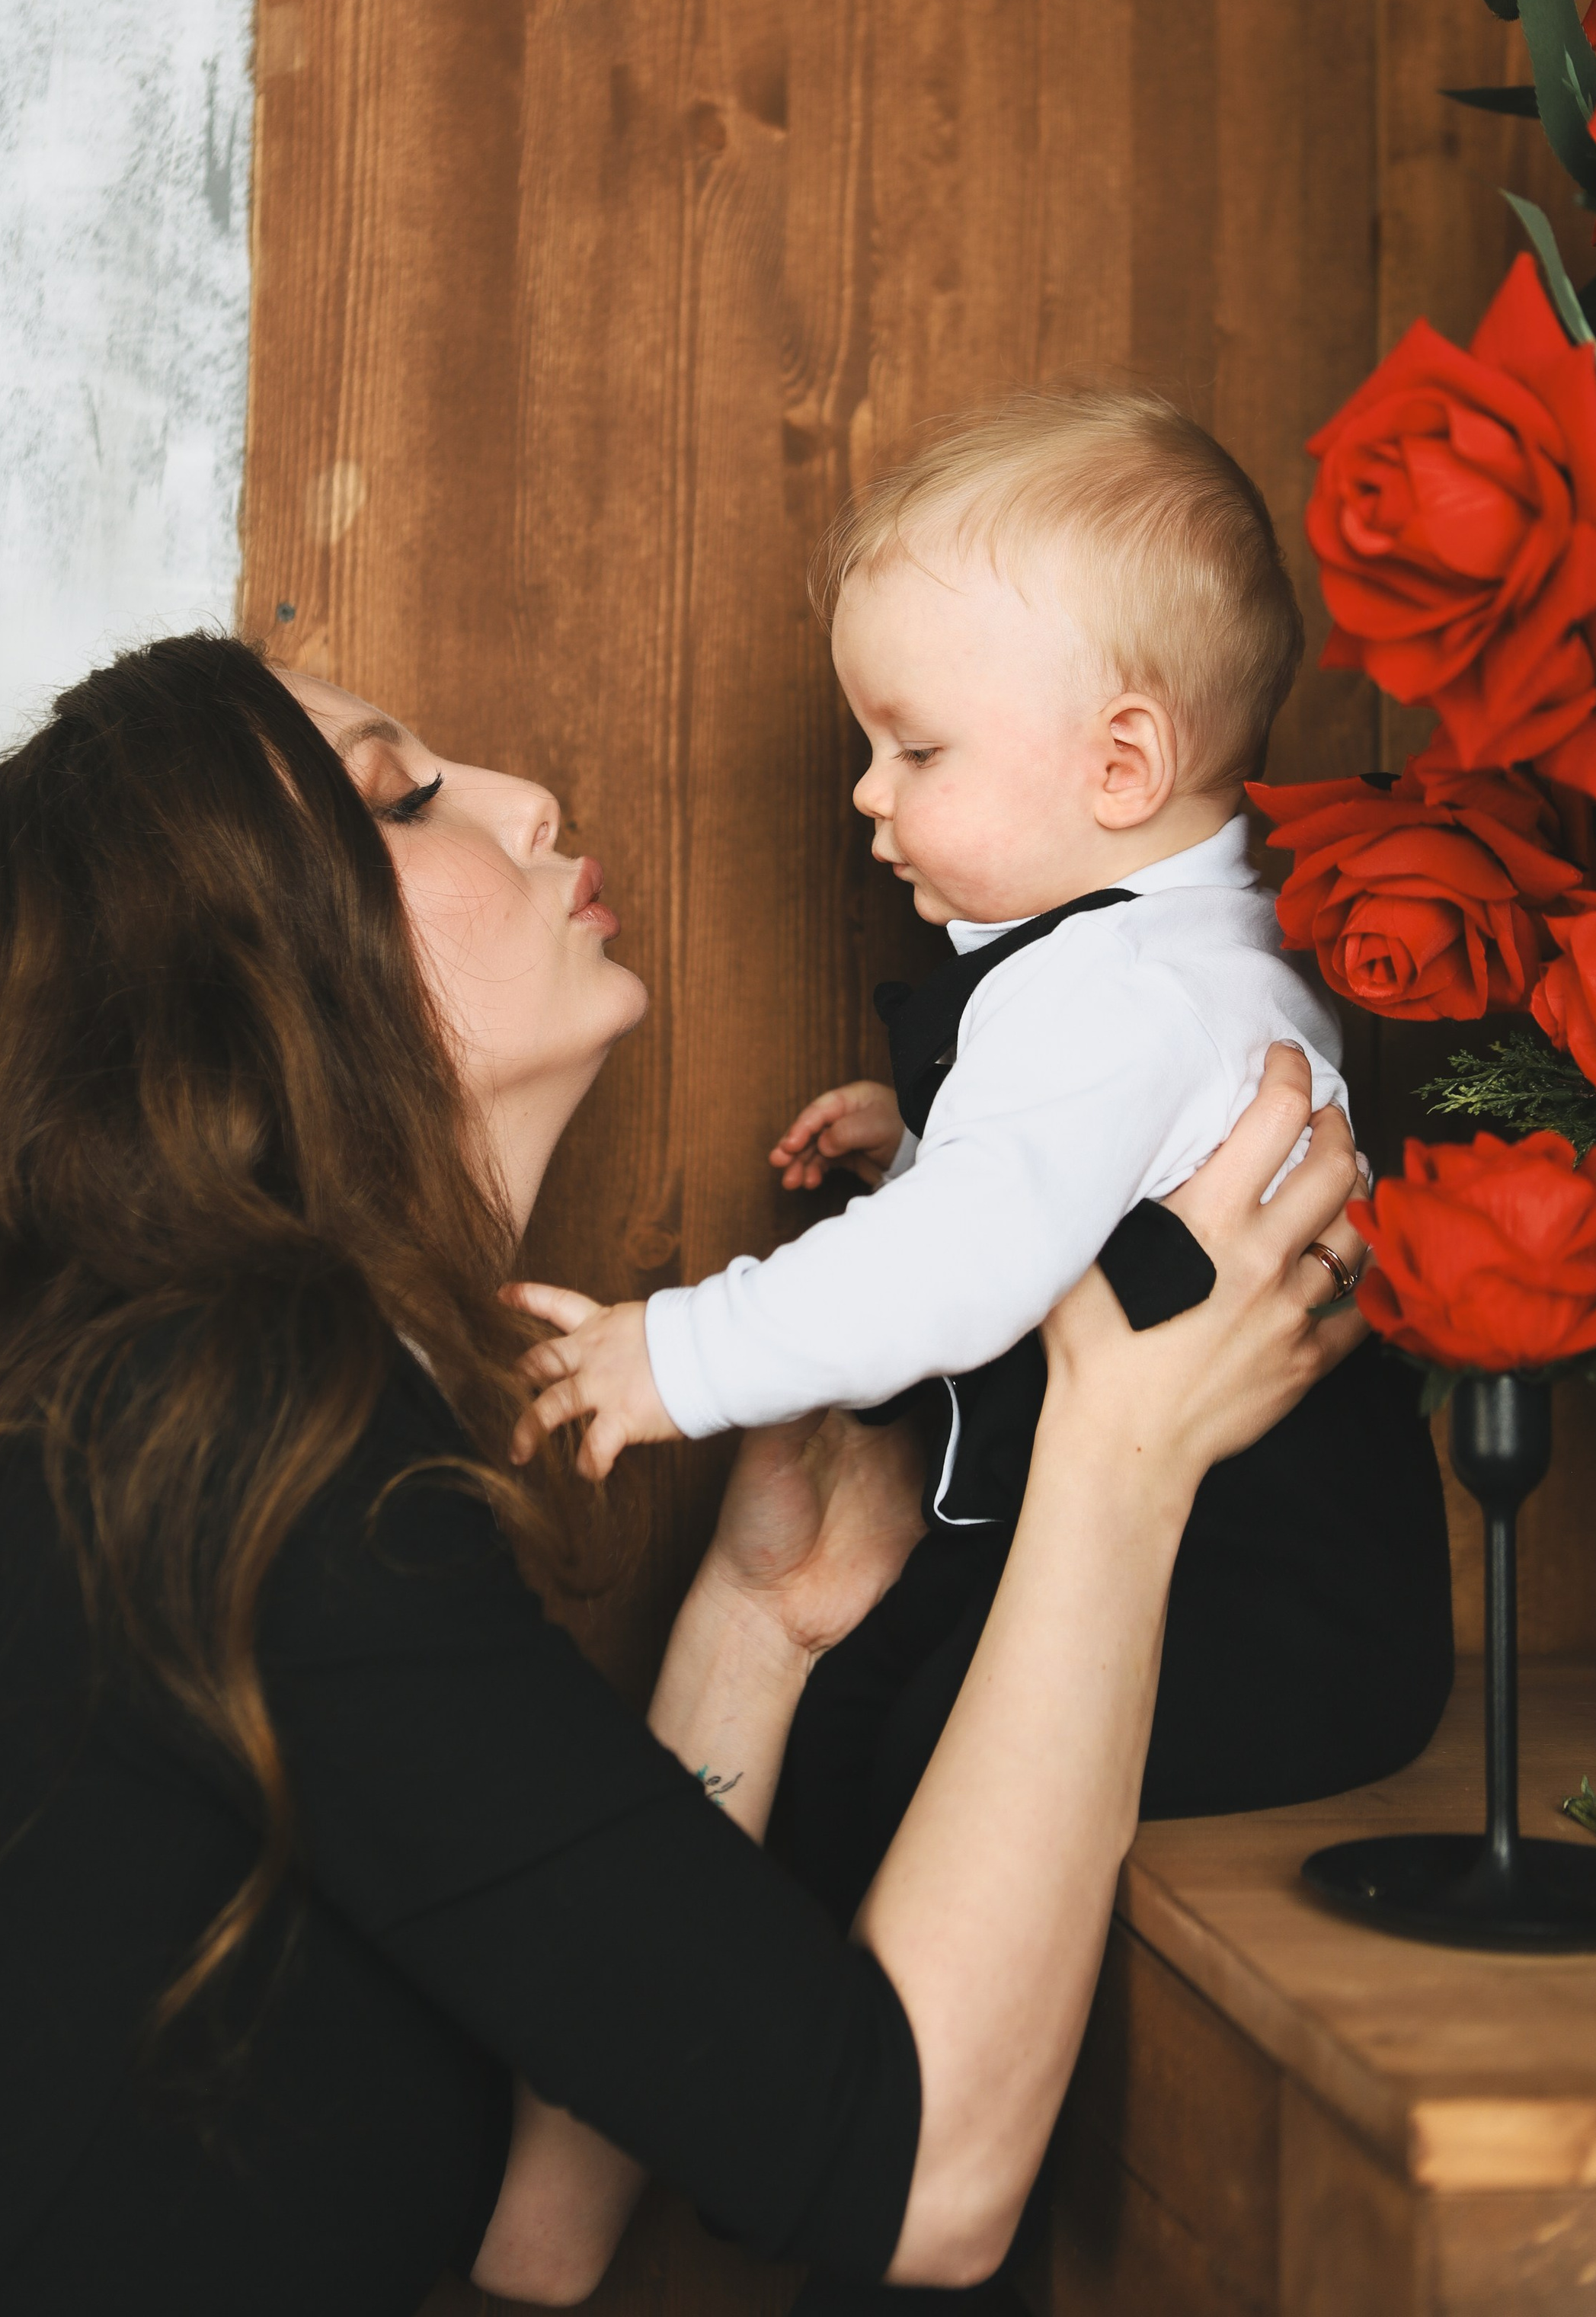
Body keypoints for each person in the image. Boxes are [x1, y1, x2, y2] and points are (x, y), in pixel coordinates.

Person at [0, 633, 1367, 2315]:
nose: (519, 798)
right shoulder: (227, 1454)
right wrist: (1122, 1454)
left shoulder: (213, 1423)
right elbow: (925, 2178)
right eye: (405, 801)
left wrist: (753, 1623)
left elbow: (529, 2235)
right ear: (251, 1001)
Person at [518, 398, 1453, 1886]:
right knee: (859, 1732)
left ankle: (854, 2083)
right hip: (1227, 1579)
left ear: (1120, 765)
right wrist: (933, 1141)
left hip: (1260, 1608)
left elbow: (967, 1268)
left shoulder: (1125, 995)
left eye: (914, 748)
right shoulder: (1159, 962)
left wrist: (676, 1356)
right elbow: (1081, 1190)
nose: (865, 793)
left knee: (909, 1772)